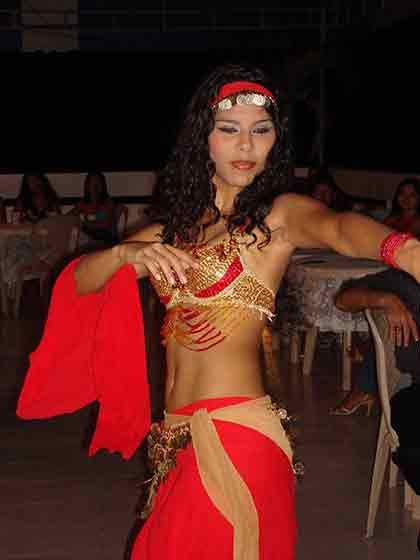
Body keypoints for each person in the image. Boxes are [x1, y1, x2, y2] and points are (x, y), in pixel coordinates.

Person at [16, 64, 420, 560]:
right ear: (202, 137)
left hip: (236, 435)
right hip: (173, 440)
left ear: (276, 141)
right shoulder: (174, 231)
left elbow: (339, 229)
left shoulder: (278, 216)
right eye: (229, 130)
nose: (246, 147)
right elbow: (78, 283)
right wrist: (125, 255)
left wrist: (406, 252)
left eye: (260, 131)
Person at [330, 268, 420, 415]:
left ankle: (364, 384)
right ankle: (365, 385)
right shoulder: (407, 278)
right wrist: (385, 300)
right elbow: (343, 299)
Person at [71, 171, 115, 244]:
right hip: (85, 237)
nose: (95, 186)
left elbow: (107, 224)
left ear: (103, 186)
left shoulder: (108, 203)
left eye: (98, 183)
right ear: (87, 186)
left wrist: (85, 223)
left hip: (103, 237)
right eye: (92, 183)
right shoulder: (82, 204)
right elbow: (69, 217)